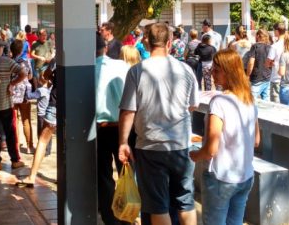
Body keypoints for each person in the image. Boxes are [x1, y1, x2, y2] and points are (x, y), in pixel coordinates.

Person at [118, 23, 199, 225]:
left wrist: (123, 142)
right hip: (181, 146)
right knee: (185, 202)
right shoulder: (186, 70)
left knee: (157, 205)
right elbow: (192, 106)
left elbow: (128, 111)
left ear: (147, 43)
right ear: (169, 43)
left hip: (150, 146)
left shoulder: (137, 71)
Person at [190, 49, 260, 225]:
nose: (212, 74)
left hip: (221, 177)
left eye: (216, 70)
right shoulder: (249, 100)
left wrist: (194, 156)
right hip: (245, 175)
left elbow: (211, 149)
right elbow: (256, 141)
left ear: (229, 72)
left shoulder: (219, 102)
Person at [94, 33, 131, 225]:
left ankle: (110, 218)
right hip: (124, 126)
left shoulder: (87, 70)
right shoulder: (123, 66)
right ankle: (127, 215)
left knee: (104, 175)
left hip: (100, 127)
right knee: (127, 174)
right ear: (106, 48)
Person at [0, 37, 27, 170]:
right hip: (5, 105)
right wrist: (12, 83)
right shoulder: (7, 61)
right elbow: (23, 73)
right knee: (10, 133)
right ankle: (15, 160)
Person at [16, 64, 58, 187]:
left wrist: (54, 77)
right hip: (73, 104)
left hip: (55, 104)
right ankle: (65, 176)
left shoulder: (56, 60)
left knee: (43, 141)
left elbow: (46, 74)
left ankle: (32, 176)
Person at [10, 39, 35, 154]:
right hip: (25, 94)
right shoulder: (27, 61)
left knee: (14, 121)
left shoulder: (9, 62)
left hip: (12, 93)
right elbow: (30, 76)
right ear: (21, 50)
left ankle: (16, 147)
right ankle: (30, 146)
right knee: (26, 120)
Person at [246, 29, 272, 101]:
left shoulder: (255, 46)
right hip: (267, 77)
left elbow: (251, 62)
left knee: (251, 100)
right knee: (266, 102)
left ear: (258, 36)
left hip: (256, 78)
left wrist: (247, 75)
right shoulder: (270, 47)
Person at [265, 23, 287, 103]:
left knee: (276, 104)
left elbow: (267, 63)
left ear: (277, 31)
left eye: (274, 30)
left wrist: (271, 64)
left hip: (276, 78)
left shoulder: (275, 46)